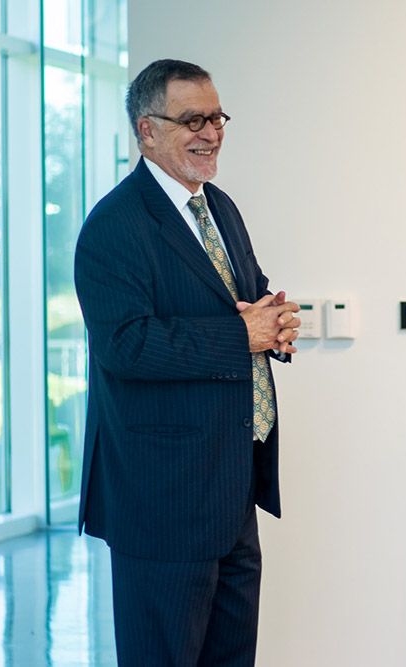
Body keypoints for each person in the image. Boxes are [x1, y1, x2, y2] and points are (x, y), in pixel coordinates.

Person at [74, 59, 300, 666]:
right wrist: (240, 334)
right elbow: (125, 345)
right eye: (193, 119)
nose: (212, 132)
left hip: (231, 488)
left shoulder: (218, 206)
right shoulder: (113, 225)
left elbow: (241, 292)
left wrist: (273, 321)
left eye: (217, 116)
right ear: (147, 130)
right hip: (164, 501)